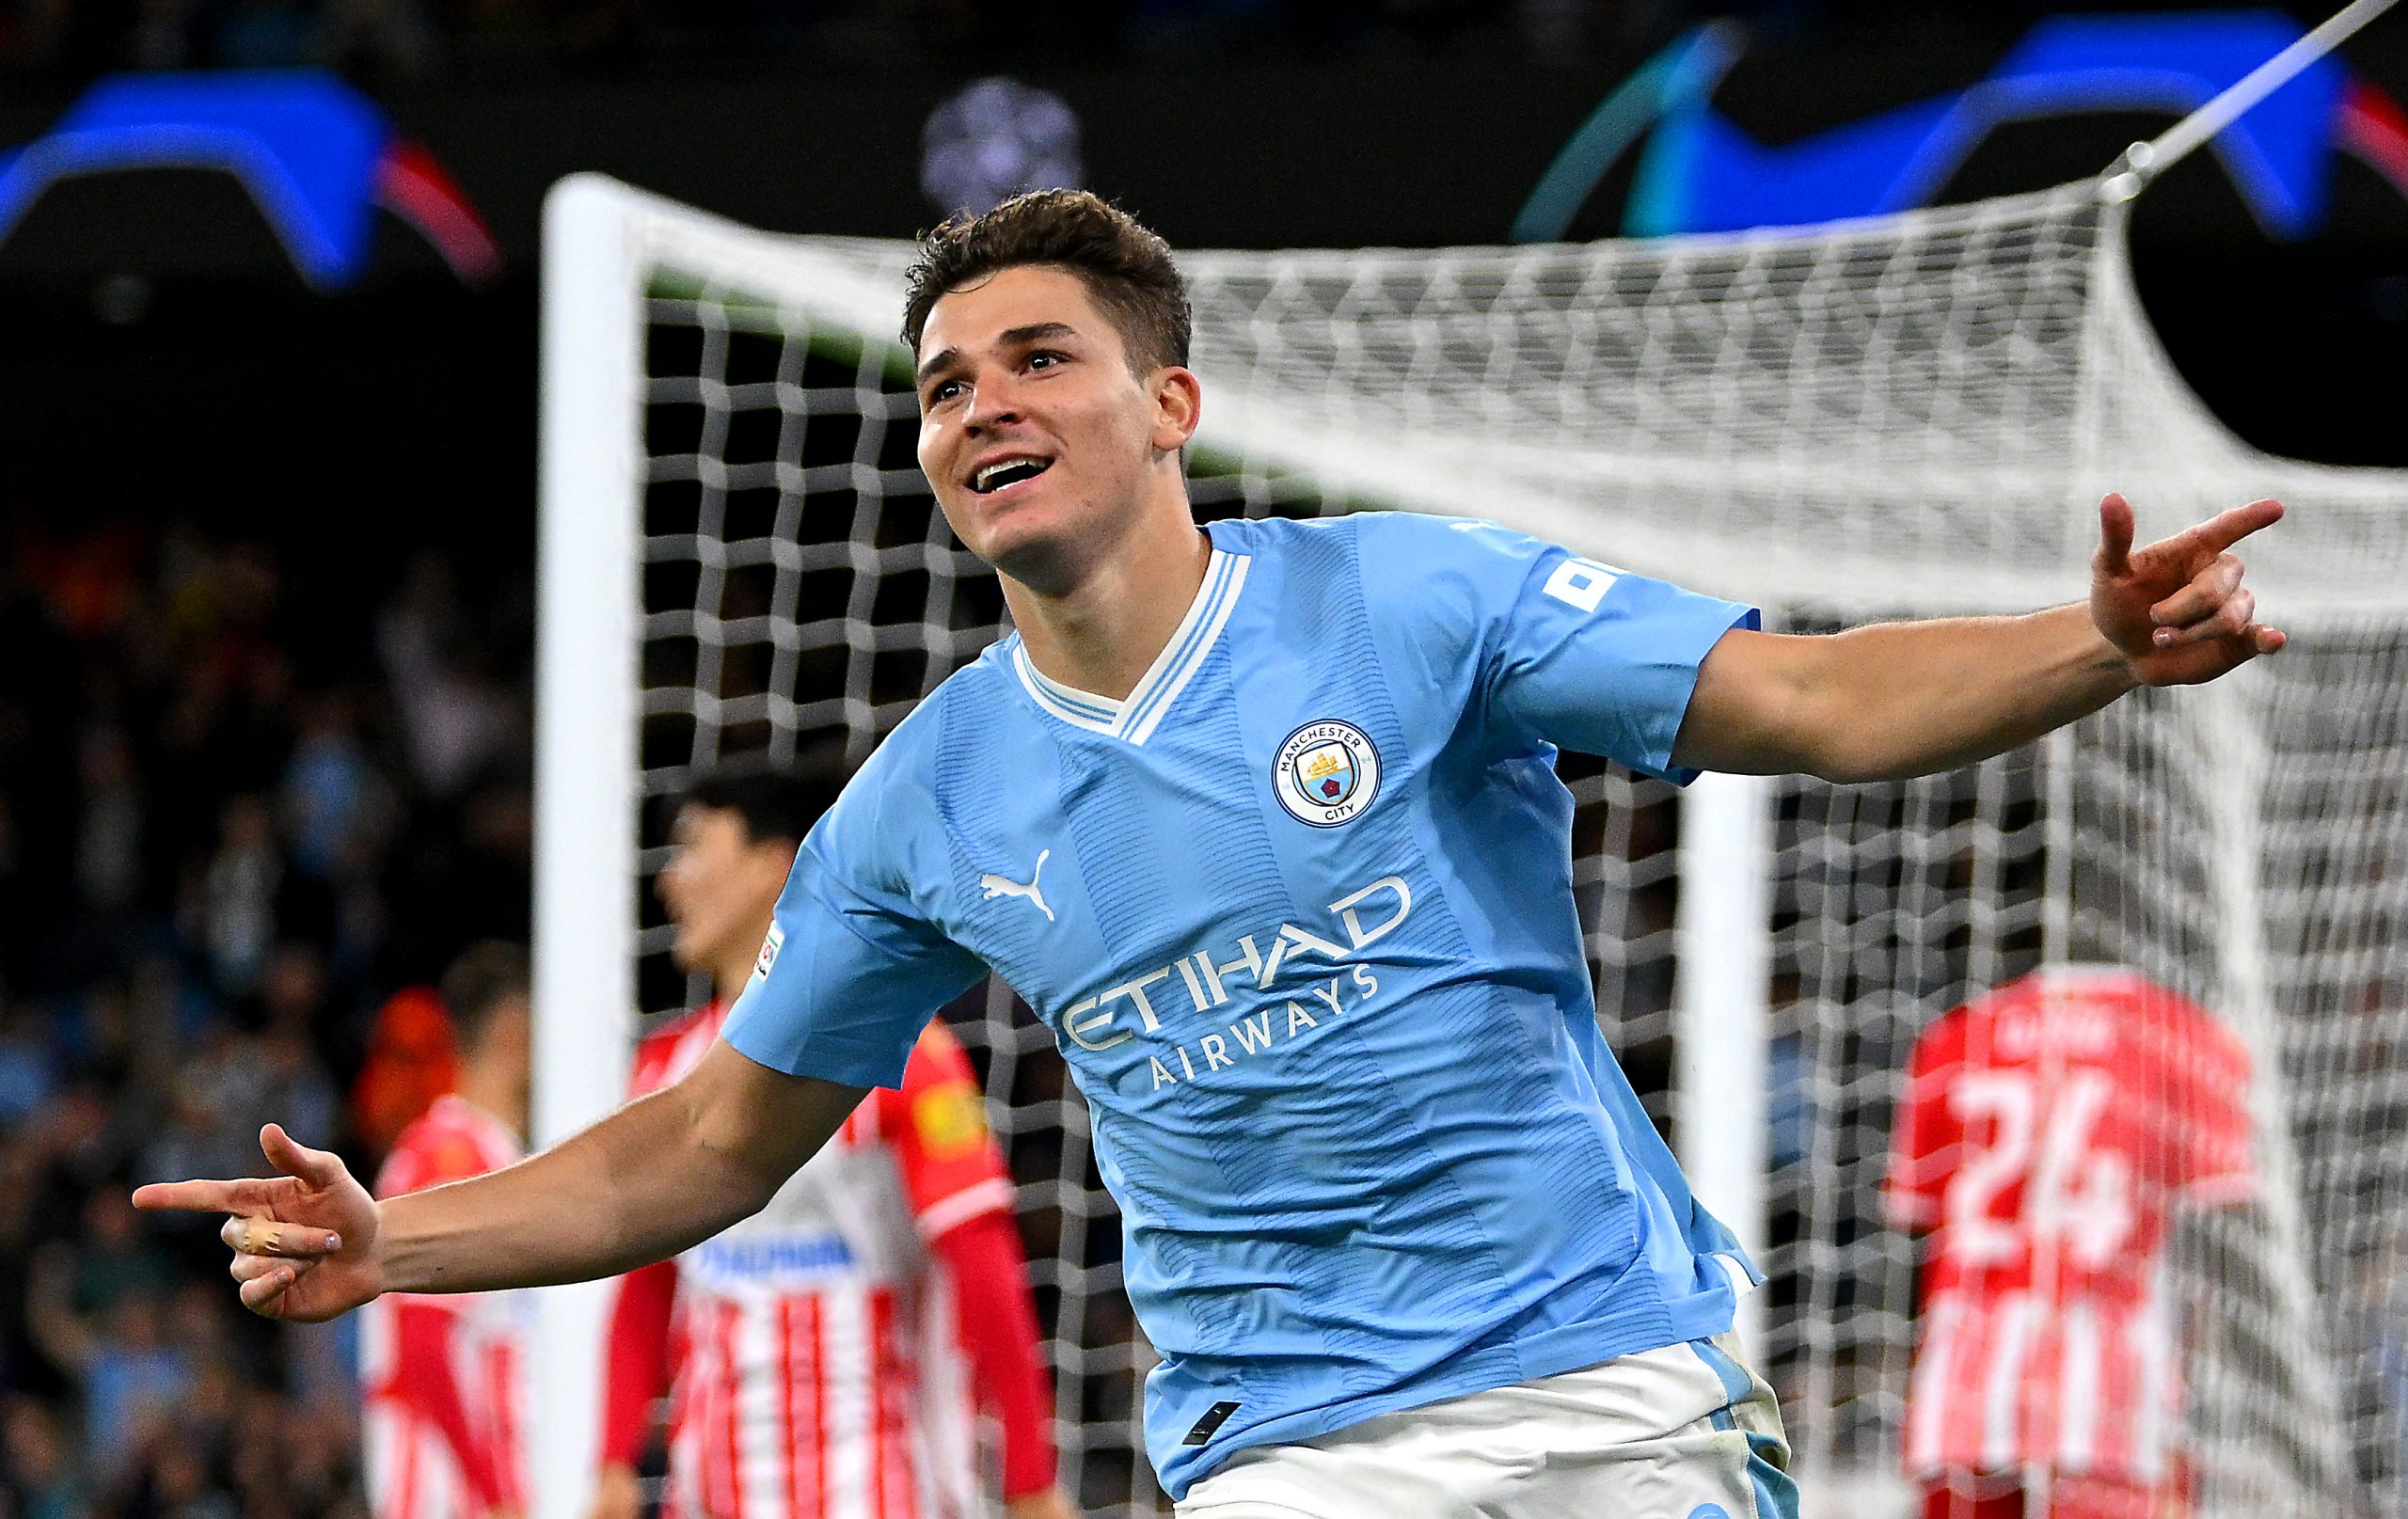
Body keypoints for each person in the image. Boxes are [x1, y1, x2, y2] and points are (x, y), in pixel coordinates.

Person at [136, 188, 2289, 1519]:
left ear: (1167, 403)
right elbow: (699, 1145)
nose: (978, 398)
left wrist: (2083, 642)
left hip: (1599, 1396)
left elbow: (1802, 696)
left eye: (1038, 356)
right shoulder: (923, 800)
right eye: (943, 378)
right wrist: (399, 1237)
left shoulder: (1414, 599)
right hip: (1284, 1459)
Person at [593, 758, 1072, 1519]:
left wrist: (1030, 1481)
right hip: (711, 1492)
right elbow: (647, 1280)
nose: (670, 880)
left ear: (770, 865)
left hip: (874, 1488)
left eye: (693, 848)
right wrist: (614, 1460)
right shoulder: (663, 1070)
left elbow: (980, 1256)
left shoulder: (904, 1052)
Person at [1886, 964, 2257, 1519]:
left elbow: (1918, 1216)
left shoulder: (1957, 1034)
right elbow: (2214, 1238)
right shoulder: (2183, 1035)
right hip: (2112, 1368)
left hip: (1967, 1365)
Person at [359, 941, 535, 1519]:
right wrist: (497, 1494)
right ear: (516, 1033)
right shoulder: (451, 1159)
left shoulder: (497, 1156)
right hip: (451, 1494)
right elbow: (424, 1338)